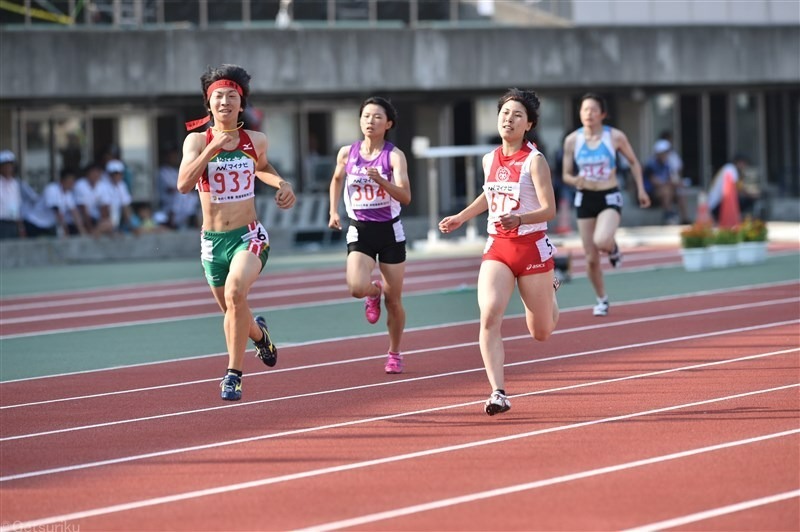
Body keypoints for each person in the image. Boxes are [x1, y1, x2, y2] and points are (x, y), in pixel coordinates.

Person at [177, 64, 296, 401]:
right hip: (212, 243)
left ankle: (233, 375)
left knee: (234, 294)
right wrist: (212, 150)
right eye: (218, 96)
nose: (225, 102)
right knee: (234, 311)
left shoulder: (254, 140)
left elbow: (263, 168)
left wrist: (282, 183)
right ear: (208, 103)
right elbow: (184, 184)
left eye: (232, 96)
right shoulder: (196, 140)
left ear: (241, 104)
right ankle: (260, 337)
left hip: (249, 236)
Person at [438, 88, 560, 416]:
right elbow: (488, 196)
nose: (508, 119)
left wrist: (520, 217)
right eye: (504, 113)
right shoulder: (488, 159)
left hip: (531, 247)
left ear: (528, 124)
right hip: (499, 247)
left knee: (542, 332)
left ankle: (551, 288)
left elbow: (550, 210)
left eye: (517, 115)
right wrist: (461, 217)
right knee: (490, 313)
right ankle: (498, 392)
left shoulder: (534, 161)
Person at [328, 96, 411, 374]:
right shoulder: (346, 153)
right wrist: (333, 211)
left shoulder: (394, 156)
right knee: (355, 287)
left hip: (390, 231)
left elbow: (406, 196)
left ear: (388, 123)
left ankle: (395, 352)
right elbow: (337, 178)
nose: (370, 121)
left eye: (377, 117)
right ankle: (372, 292)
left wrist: (381, 180)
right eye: (366, 116)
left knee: (395, 301)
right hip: (360, 229)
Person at [562, 93, 650, 317]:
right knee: (591, 259)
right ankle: (602, 299)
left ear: (603, 114)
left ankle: (612, 247)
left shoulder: (615, 137)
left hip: (609, 196)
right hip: (585, 198)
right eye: (584, 110)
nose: (588, 114)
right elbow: (566, 175)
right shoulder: (573, 140)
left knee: (601, 241)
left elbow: (633, 162)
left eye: (593, 110)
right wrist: (576, 180)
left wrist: (640, 189)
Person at [23, 169, 87, 237]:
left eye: (73, 182)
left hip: (49, 225)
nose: (71, 184)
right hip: (34, 222)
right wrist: (65, 230)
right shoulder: (52, 189)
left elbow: (74, 212)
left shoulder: (68, 194)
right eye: (69, 181)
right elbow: (57, 211)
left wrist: (83, 231)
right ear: (62, 181)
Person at [708, 153, 758, 221]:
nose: (744, 167)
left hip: (717, 205)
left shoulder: (728, 168)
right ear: (740, 162)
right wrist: (750, 195)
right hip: (717, 205)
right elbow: (737, 187)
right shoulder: (730, 168)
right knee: (748, 201)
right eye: (744, 164)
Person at [0, 150, 26, 239]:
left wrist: (20, 227)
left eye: (10, 166)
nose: (8, 169)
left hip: (13, 223)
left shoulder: (15, 184)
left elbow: (17, 206)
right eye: (5, 166)